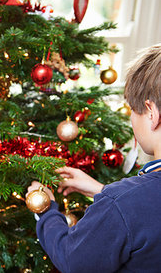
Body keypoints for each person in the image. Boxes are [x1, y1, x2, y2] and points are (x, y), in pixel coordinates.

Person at [26, 43, 161, 273]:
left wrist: (45, 211)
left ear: (151, 112)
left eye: (132, 110)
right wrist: (102, 190)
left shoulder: (123, 203)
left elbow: (73, 260)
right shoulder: (129, 202)